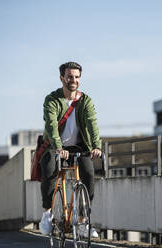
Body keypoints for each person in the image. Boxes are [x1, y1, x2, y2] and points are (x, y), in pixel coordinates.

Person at [39, 61, 102, 238]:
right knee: (50, 168)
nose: (73, 80)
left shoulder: (85, 101)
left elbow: (92, 124)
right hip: (54, 146)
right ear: (62, 78)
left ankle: (83, 221)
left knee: (89, 173)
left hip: (78, 147)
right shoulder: (52, 99)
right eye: (69, 77)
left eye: (76, 77)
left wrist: (96, 145)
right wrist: (58, 148)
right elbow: (51, 126)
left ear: (79, 79)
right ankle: (47, 214)